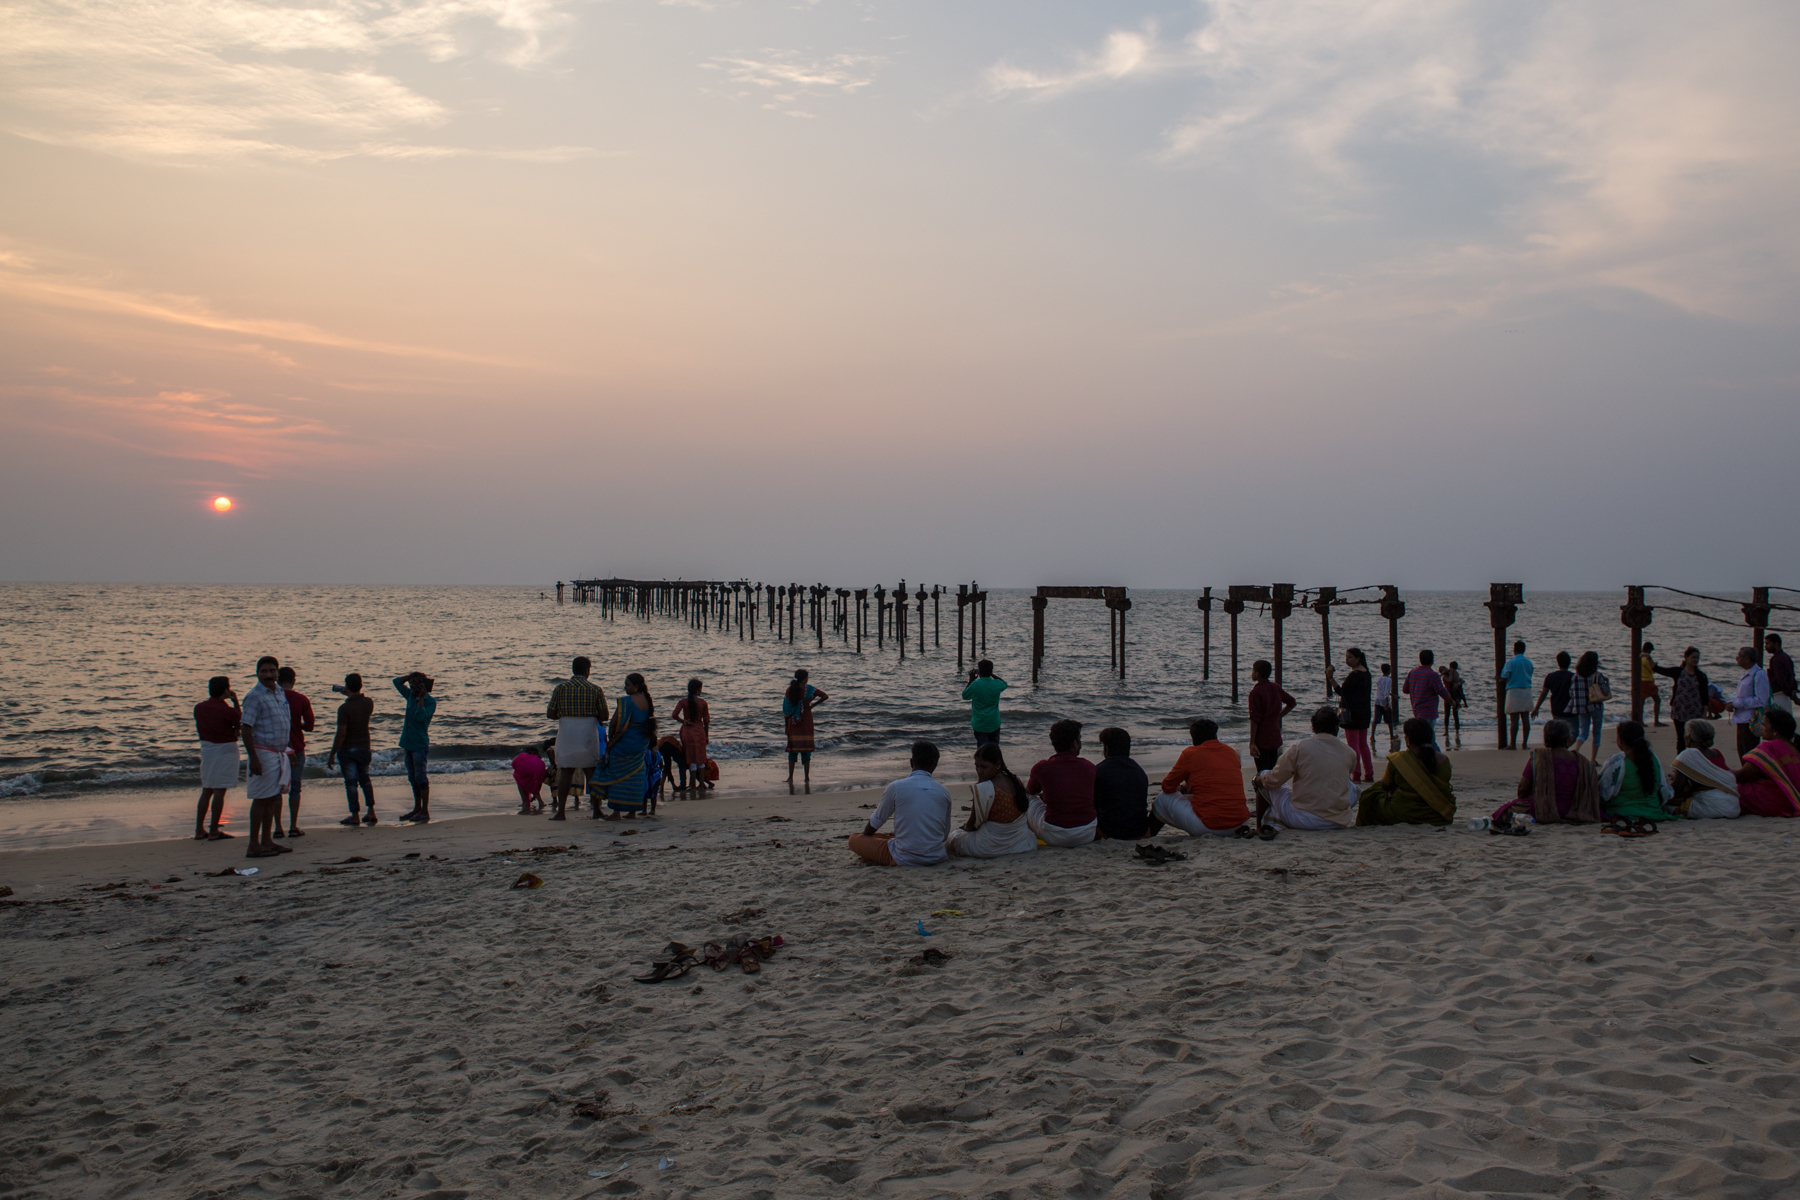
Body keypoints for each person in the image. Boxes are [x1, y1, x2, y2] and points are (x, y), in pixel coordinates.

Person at [1256, 706, 1358, 832]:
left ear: (1313, 727)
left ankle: (1260, 827)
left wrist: (1259, 780)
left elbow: (1275, 779)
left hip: (1304, 819)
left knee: (1265, 776)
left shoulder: (1299, 748)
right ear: (1336, 728)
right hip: (1338, 821)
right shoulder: (1349, 752)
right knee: (1353, 788)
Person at [849, 740, 951, 866]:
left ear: (911, 762)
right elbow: (944, 834)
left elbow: (877, 820)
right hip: (936, 856)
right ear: (935, 765)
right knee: (886, 837)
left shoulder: (897, 787)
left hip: (904, 858)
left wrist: (865, 836)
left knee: (854, 839)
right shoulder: (943, 791)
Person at [1491, 719, 1602, 826]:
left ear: (1546, 738)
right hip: (1575, 809)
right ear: (1568, 739)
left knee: (1505, 810)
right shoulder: (1583, 762)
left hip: (1542, 808)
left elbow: (1522, 791)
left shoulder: (1540, 757)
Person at [1152, 718, 1251, 836]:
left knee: (1163, 798)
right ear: (1215, 735)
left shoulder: (1190, 753)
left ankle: (1148, 833)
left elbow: (1167, 787)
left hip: (1210, 826)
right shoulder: (1231, 752)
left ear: (1194, 739)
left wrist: (1185, 787)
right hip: (1241, 823)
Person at [1356, 716, 1456, 827]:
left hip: (1403, 813)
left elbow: (1385, 785)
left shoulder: (1400, 759)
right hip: (1438, 814)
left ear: (1408, 739)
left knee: (1369, 795)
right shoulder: (1444, 760)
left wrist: (1394, 789)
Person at [239, 656, 292, 858]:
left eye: (272, 671)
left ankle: (267, 840)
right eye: (264, 671)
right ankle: (253, 845)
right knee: (261, 798)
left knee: (272, 797)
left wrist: (289, 750)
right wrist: (253, 757)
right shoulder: (254, 696)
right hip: (262, 752)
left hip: (279, 753)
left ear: (277, 672)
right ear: (257, 673)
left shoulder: (279, 692)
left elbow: (283, 722)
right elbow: (246, 728)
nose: (268, 675)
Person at [947, 743, 1037, 858]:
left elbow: (972, 826)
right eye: (977, 766)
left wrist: (963, 828)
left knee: (955, 836)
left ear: (997, 765)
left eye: (984, 767)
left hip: (990, 847)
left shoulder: (985, 789)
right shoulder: (1015, 781)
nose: (979, 771)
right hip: (1022, 843)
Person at [546, 656, 607, 821]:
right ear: (587, 670)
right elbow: (604, 715)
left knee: (566, 770)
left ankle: (561, 812)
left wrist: (566, 714)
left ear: (573, 669)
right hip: (587, 731)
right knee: (590, 771)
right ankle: (596, 810)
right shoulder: (595, 689)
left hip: (567, 731)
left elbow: (550, 714)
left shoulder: (561, 688)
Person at [591, 672, 655, 818]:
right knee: (635, 775)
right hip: (641, 742)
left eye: (627, 685)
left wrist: (610, 741)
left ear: (636, 686)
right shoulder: (647, 700)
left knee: (616, 773)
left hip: (625, 742)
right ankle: (632, 811)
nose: (625, 687)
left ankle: (616, 812)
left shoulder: (627, 702)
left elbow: (614, 723)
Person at [1025, 719, 1098, 847]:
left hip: (1054, 835)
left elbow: (1030, 791)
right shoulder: (1090, 767)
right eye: (1079, 739)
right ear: (1075, 743)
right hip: (1087, 833)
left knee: (1028, 797)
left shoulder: (1042, 767)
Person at [193, 675, 241, 841]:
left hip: (207, 749)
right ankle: (214, 829)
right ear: (226, 690)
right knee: (220, 790)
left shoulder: (199, 708)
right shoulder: (226, 710)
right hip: (225, 749)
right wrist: (235, 702)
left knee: (207, 789)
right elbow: (239, 721)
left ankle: (199, 829)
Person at [325, 673, 376, 827]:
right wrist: (350, 695)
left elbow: (341, 733)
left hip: (348, 749)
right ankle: (371, 811)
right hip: (364, 746)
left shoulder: (344, 709)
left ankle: (355, 815)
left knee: (351, 783)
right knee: (365, 780)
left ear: (346, 686)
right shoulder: (368, 703)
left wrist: (332, 753)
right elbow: (359, 705)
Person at [1599, 720, 1672, 822]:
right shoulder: (1653, 759)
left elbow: (1604, 794)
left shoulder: (1618, 764)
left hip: (1623, 813)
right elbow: (1663, 790)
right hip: (1653, 812)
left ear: (1620, 740)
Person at [272, 666, 314, 839]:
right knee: (295, 787)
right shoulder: (301, 699)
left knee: (276, 788)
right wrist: (298, 726)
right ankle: (293, 826)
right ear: (293, 680)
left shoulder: (273, 698)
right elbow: (310, 725)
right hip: (296, 746)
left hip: (276, 749)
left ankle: (278, 827)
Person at [1091, 727, 1156, 840]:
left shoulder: (1098, 771)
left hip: (1109, 832)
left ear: (1106, 749)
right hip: (1139, 831)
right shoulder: (1139, 771)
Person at [1735, 708, 1800, 818]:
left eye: (1764, 725)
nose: (1761, 728)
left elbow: (1743, 776)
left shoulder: (1769, 747)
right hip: (1793, 797)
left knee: (1734, 789)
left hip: (1779, 801)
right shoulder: (1795, 746)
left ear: (1775, 730)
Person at [1669, 720, 1739, 819]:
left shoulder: (1687, 755)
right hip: (1733, 806)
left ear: (1688, 737)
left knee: (1667, 806)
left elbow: (1677, 788)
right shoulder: (1717, 753)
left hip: (1710, 807)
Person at [1326, 647, 1375, 783]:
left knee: (1353, 744)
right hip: (1364, 712)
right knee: (1362, 744)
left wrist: (1330, 679)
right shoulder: (1366, 673)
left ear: (1358, 659)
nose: (1347, 660)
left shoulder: (1355, 675)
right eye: (1346, 657)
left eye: (1350, 657)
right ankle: (1369, 773)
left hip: (1352, 714)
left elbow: (1341, 692)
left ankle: (1356, 774)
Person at [393, 671, 437, 822]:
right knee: (412, 777)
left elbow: (421, 717)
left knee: (421, 777)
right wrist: (408, 676)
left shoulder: (430, 702)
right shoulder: (410, 696)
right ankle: (417, 807)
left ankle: (425, 810)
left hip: (419, 743)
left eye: (413, 685)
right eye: (410, 685)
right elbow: (396, 683)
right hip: (408, 742)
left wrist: (421, 699)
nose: (411, 688)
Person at [1653, 646, 1711, 753]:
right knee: (1681, 738)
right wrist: (1648, 658)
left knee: (1695, 739)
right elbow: (1658, 669)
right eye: (1693, 657)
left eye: (1697, 658)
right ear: (1686, 657)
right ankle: (1681, 762)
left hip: (1695, 712)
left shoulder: (1701, 676)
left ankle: (1695, 761)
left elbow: (1705, 696)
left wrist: (1705, 714)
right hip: (1679, 710)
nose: (1695, 660)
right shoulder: (1678, 672)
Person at [1246, 660, 1296, 772]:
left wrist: (1252, 742)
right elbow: (1292, 702)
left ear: (1257, 673)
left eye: (1253, 670)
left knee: (1262, 771)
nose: (1252, 673)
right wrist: (1279, 716)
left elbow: (1254, 719)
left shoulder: (1255, 693)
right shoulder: (1275, 687)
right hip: (1275, 735)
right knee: (1272, 770)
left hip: (1262, 737)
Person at [782, 669, 828, 792]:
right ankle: (806, 777)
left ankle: (790, 777)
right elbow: (825, 696)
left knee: (792, 751)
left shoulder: (789, 690)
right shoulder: (810, 689)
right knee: (806, 751)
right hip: (806, 720)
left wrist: (786, 726)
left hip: (793, 722)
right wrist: (813, 705)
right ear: (805, 679)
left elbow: (786, 710)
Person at [1724, 646, 1771, 761]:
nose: (1736, 659)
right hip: (1742, 719)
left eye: (1739, 657)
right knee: (1742, 752)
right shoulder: (1747, 674)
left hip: (1751, 721)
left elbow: (1761, 700)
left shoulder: (1759, 674)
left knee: (1749, 753)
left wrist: (1736, 704)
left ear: (1747, 659)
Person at [1567, 651, 1611, 762]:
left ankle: (1576, 749)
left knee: (1583, 732)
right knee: (1596, 732)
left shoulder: (1575, 676)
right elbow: (1605, 693)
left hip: (1581, 707)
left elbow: (1571, 693)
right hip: (1596, 707)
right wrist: (1607, 683)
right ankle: (1593, 759)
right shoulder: (1597, 676)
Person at [671, 678, 711, 792]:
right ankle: (701, 784)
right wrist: (707, 735)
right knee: (701, 758)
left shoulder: (683, 702)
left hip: (688, 732)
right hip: (699, 732)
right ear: (697, 690)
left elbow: (674, 715)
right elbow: (706, 721)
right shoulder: (703, 703)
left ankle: (692, 785)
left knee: (691, 759)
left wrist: (683, 721)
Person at [961, 660, 1009, 750]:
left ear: (980, 671)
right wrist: (991, 674)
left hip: (980, 724)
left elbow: (965, 696)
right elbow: (1004, 684)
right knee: (994, 749)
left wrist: (971, 680)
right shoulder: (996, 684)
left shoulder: (975, 685)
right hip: (994, 722)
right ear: (991, 670)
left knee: (983, 751)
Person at [1499, 641, 1534, 749]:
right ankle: (1524, 743)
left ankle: (1513, 743)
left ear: (1514, 650)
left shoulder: (1511, 663)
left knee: (1514, 719)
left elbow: (1505, 677)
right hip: (1527, 690)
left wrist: (1499, 680)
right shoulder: (1529, 663)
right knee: (1525, 718)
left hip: (1514, 690)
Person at [1403, 650, 1450, 726]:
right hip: (1429, 713)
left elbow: (1405, 689)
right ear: (1432, 661)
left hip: (1416, 711)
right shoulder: (1433, 675)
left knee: (1420, 734)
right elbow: (1442, 692)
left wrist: (1417, 689)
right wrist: (1453, 702)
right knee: (1429, 735)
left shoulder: (1412, 672)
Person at [1533, 651, 1577, 729]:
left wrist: (1537, 707)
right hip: (1571, 710)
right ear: (1569, 663)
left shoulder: (1550, 676)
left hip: (1556, 708)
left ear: (1558, 663)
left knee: (1559, 730)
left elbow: (1544, 693)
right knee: (1573, 731)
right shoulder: (1574, 677)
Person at [512, 744, 548, 814]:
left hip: (524, 772)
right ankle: (540, 801)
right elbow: (540, 779)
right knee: (535, 784)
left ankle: (525, 802)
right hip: (537, 772)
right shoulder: (539, 760)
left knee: (519, 781)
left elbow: (514, 764)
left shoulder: (522, 756)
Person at [1637, 642, 1664, 727]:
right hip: (1648, 681)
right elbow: (1653, 670)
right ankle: (1656, 721)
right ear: (1649, 650)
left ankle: (1640, 720)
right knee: (1657, 700)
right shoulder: (1647, 658)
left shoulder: (1639, 657)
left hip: (1640, 681)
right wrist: (1655, 665)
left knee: (1641, 702)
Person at [1769, 634, 1797, 715]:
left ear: (1776, 644)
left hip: (1778, 695)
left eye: (1768, 644)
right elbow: (1792, 676)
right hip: (1785, 695)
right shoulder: (1786, 657)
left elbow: (1780, 679)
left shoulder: (1776, 660)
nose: (1766, 646)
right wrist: (1792, 691)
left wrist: (1788, 692)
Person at [1442, 661, 1466, 745]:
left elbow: (1462, 681)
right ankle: (1446, 730)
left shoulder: (1456, 674)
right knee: (1447, 713)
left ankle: (1457, 730)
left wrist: (1458, 683)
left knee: (1455, 714)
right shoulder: (1445, 676)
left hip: (1454, 695)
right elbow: (1449, 680)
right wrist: (1451, 672)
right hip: (1447, 696)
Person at [1374, 663, 1395, 745]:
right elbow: (1386, 692)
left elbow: (1382, 690)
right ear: (1389, 671)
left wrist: (1393, 695)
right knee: (1389, 720)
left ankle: (1372, 736)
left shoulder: (1379, 678)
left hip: (1377, 700)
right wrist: (1387, 703)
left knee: (1376, 720)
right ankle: (1391, 735)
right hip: (1384, 701)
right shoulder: (1389, 680)